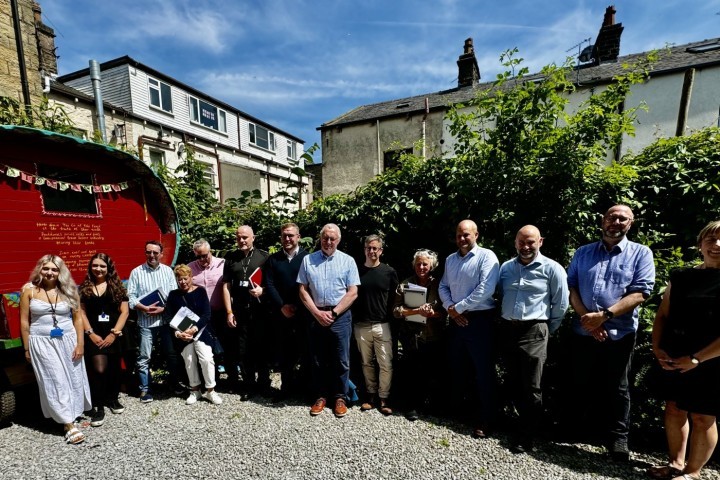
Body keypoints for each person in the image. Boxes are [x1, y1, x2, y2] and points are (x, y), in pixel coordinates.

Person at [567, 205, 655, 461]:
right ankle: (574, 430)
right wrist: (588, 320)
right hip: (583, 330)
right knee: (578, 380)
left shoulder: (641, 253)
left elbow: (640, 293)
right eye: (611, 217)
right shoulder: (583, 252)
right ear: (603, 220)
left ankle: (618, 440)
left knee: (618, 388)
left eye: (622, 219)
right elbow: (571, 286)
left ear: (631, 223)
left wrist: (603, 317)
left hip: (620, 333)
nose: (615, 222)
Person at [649, 221, 720, 480]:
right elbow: (663, 315)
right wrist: (658, 348)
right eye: (711, 239)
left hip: (712, 360)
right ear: (700, 244)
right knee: (674, 408)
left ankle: (693, 473)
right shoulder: (680, 276)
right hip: (676, 356)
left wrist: (696, 359)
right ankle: (675, 463)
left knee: (703, 416)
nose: (717, 245)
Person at [497, 225, 568, 453]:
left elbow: (561, 304)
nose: (526, 247)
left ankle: (526, 436)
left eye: (531, 242)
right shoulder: (506, 268)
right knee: (513, 381)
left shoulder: (552, 269)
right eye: (522, 242)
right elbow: (499, 295)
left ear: (540, 242)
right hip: (508, 329)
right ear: (515, 242)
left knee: (532, 386)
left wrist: (546, 330)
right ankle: (516, 425)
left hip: (535, 330)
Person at [19, 255, 91, 444]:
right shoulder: (29, 291)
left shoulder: (70, 290)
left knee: (72, 378)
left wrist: (80, 344)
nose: (50, 272)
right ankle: (68, 424)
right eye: (46, 268)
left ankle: (70, 413)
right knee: (55, 379)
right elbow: (24, 321)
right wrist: (26, 348)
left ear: (61, 272)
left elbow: (77, 318)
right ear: (39, 269)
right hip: (41, 342)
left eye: (54, 269)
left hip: (68, 340)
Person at [439, 219, 499, 439]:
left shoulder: (487, 257)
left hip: (480, 321)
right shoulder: (450, 259)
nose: (462, 238)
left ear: (476, 234)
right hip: (456, 320)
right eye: (459, 235)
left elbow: (486, 288)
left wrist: (459, 308)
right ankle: (461, 412)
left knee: (483, 372)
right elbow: (443, 286)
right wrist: (450, 309)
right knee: (458, 367)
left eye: (466, 234)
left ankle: (486, 419)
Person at [298, 223, 360, 417]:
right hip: (315, 315)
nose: (328, 242)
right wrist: (317, 313)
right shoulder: (308, 260)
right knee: (317, 359)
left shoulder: (348, 261)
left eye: (332, 238)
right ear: (320, 238)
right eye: (325, 238)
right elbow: (302, 290)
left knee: (341, 359)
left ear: (338, 240)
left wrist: (333, 313)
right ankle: (321, 396)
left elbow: (353, 292)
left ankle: (340, 397)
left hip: (340, 316)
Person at [393, 249, 446, 421]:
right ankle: (412, 406)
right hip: (412, 337)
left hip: (433, 335)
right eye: (418, 264)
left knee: (433, 372)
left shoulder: (440, 285)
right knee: (412, 372)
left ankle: (432, 406)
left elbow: (446, 311)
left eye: (425, 264)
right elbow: (395, 311)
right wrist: (415, 311)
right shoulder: (405, 285)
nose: (421, 267)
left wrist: (433, 314)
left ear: (432, 266)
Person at [79, 252, 131, 427]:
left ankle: (113, 399)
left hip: (114, 333)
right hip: (94, 334)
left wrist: (114, 333)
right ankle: (99, 406)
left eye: (102, 266)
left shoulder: (117, 287)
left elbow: (124, 311)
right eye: (95, 265)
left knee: (115, 368)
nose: (98, 269)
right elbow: (81, 312)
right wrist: (90, 333)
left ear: (108, 268)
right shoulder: (84, 288)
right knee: (99, 369)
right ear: (90, 267)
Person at [127, 240, 181, 403]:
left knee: (171, 355)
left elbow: (174, 297)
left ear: (161, 254)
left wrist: (164, 309)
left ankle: (175, 383)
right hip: (146, 323)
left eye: (155, 252)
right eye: (148, 252)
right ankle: (145, 389)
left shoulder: (168, 271)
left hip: (165, 321)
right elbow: (130, 297)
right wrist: (142, 307)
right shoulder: (136, 272)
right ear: (145, 253)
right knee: (144, 357)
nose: (151, 255)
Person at [222, 225, 270, 398]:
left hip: (259, 312)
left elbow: (271, 284)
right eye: (239, 237)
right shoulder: (230, 257)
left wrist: (263, 291)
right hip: (240, 312)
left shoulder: (264, 257)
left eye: (245, 237)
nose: (241, 240)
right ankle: (248, 386)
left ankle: (264, 384)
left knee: (262, 349)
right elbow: (226, 286)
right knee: (243, 351)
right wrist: (229, 311)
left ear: (253, 238)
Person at [353, 234, 398, 415]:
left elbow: (395, 299)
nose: (372, 251)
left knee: (385, 363)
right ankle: (370, 396)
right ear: (364, 249)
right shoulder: (356, 270)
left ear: (381, 251)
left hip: (382, 324)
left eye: (375, 248)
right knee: (366, 363)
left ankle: (384, 397)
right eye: (368, 248)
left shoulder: (389, 272)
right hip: (361, 325)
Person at [264, 223, 310, 400]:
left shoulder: (308, 258)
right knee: (284, 353)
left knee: (306, 351)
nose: (288, 239)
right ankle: (286, 388)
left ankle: (305, 388)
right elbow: (269, 284)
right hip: (281, 313)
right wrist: (282, 306)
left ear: (298, 236)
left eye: (291, 235)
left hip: (304, 312)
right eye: (284, 236)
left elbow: (310, 284)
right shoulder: (273, 260)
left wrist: (298, 306)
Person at [165, 264, 222, 405]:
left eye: (185, 278)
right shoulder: (173, 295)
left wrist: (194, 328)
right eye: (180, 279)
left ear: (191, 277)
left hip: (201, 332)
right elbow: (169, 317)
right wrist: (178, 333)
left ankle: (210, 391)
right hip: (183, 335)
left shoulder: (200, 291)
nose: (183, 282)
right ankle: (194, 390)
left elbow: (206, 314)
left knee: (207, 359)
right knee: (189, 361)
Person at [188, 239, 225, 372]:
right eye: (199, 256)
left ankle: (232, 379)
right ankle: (212, 379)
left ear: (210, 251)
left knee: (225, 345)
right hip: (201, 316)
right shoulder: (190, 268)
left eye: (205, 255)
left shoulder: (222, 264)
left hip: (220, 311)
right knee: (206, 347)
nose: (202, 259)